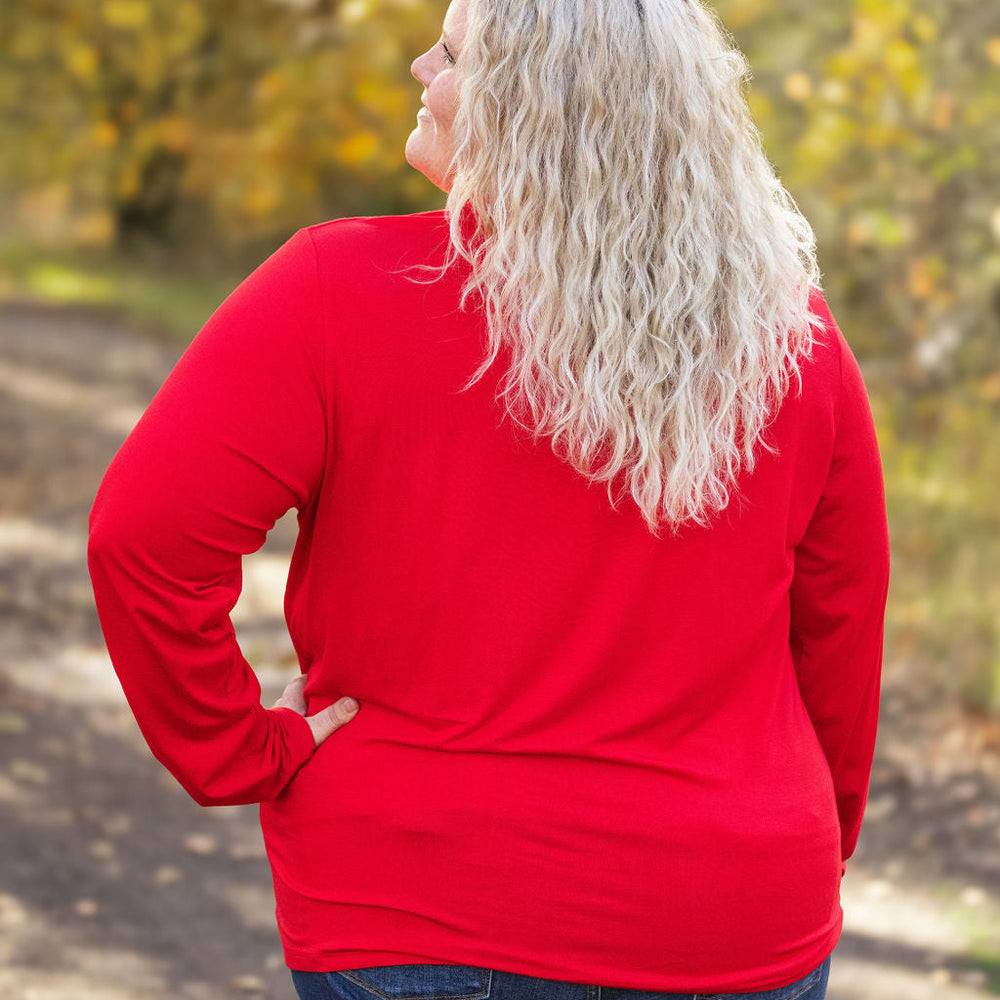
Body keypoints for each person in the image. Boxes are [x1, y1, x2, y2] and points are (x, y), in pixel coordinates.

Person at [87, 1, 891, 999]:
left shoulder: (334, 289)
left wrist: (236, 747)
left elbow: (143, 540)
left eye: (456, 53)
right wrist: (815, 828)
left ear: (537, 106)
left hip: (415, 909)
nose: (421, 64)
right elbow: (842, 633)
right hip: (730, 908)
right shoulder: (790, 340)